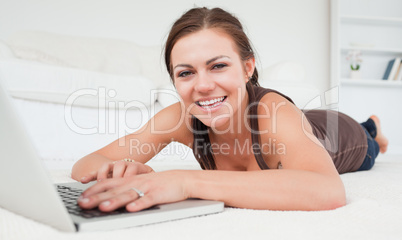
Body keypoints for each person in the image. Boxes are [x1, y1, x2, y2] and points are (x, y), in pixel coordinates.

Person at [72, 7, 388, 212]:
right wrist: (114, 170)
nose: (203, 85)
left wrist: (185, 181)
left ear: (247, 67)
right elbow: (84, 165)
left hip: (342, 134)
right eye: (186, 73)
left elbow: (328, 190)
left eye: (218, 66)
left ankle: (372, 128)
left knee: (368, 140)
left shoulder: (272, 113)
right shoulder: (183, 117)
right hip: (303, 125)